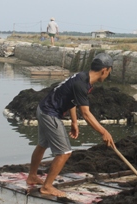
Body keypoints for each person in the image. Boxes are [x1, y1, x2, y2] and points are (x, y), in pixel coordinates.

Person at [26, 53, 115, 197]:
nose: (108, 75)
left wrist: (74, 122)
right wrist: (103, 132)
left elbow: (72, 100)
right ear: (104, 70)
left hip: (43, 108)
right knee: (65, 152)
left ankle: (32, 176)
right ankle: (47, 187)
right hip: (50, 113)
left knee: (42, 144)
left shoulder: (82, 77)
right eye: (109, 71)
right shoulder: (82, 84)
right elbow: (86, 114)